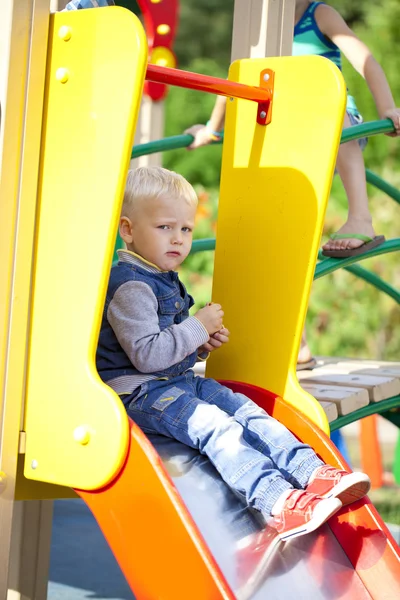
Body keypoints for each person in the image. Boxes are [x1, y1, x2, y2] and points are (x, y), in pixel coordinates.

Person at [96, 165, 371, 543]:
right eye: (164, 228)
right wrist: (196, 327)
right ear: (128, 230)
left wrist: (198, 344)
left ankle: (311, 472)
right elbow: (146, 356)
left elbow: (167, 352)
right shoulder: (130, 285)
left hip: (172, 382)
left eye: (186, 229)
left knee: (242, 408)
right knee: (215, 424)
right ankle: (278, 502)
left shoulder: (157, 273)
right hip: (140, 394)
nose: (177, 238)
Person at [185, 0, 400, 259]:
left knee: (330, 102)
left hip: (337, 130)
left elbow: (365, 60)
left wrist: (388, 107)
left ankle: (360, 217)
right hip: (291, 137)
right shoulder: (260, 31)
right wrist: (210, 128)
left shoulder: (320, 15)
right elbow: (235, 79)